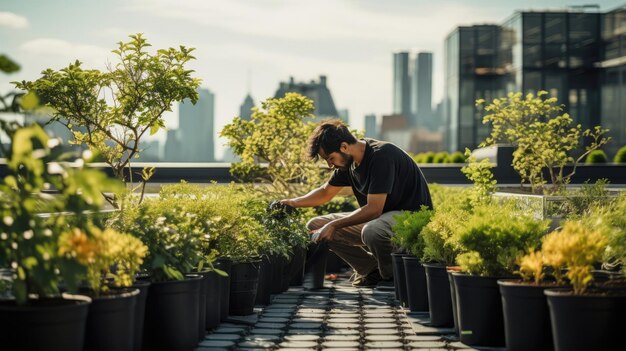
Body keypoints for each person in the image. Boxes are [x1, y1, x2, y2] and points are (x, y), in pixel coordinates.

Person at [280, 119, 433, 287]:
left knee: (372, 231)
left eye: (330, 158)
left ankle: (392, 278)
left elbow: (374, 209)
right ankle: (371, 270)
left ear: (344, 147)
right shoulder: (349, 164)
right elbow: (325, 192)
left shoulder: (381, 155)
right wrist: (292, 202)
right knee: (316, 225)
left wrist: (334, 225)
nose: (330, 165)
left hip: (411, 217)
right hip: (382, 219)